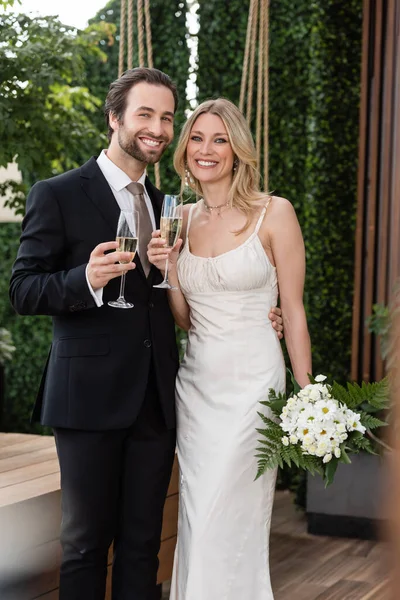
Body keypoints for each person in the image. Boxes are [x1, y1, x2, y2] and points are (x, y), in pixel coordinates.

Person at [9, 69, 283, 600]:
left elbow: (186, 292)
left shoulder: (167, 208)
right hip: (87, 398)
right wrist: (84, 279)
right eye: (145, 115)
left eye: (165, 117)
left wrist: (262, 316)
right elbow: (23, 289)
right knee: (87, 544)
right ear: (115, 118)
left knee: (142, 545)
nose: (157, 128)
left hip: (157, 401)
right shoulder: (59, 194)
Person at [148, 98, 312, 599]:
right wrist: (170, 272)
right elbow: (186, 320)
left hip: (253, 385)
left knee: (228, 510)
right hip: (197, 388)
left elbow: (295, 310)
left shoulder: (275, 212)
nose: (206, 149)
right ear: (184, 150)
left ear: (237, 150)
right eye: (197, 138)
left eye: (219, 139)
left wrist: (308, 397)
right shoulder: (180, 218)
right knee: (198, 515)